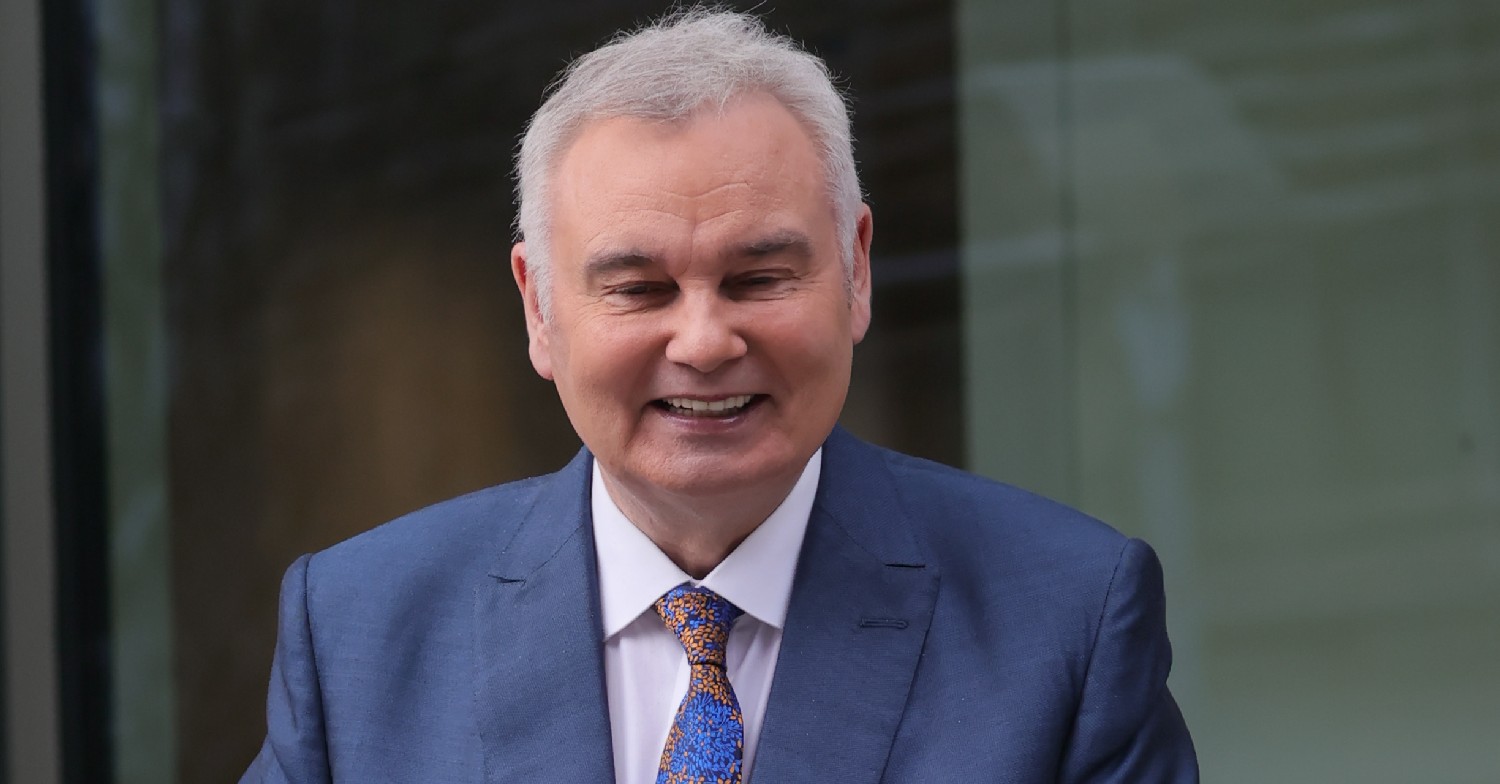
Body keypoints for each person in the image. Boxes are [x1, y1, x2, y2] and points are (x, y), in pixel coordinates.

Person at [242, 8, 1197, 783]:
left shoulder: (1066, 623)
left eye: (759, 279)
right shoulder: (363, 633)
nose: (703, 343)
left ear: (857, 271)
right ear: (539, 307)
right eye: (638, 290)